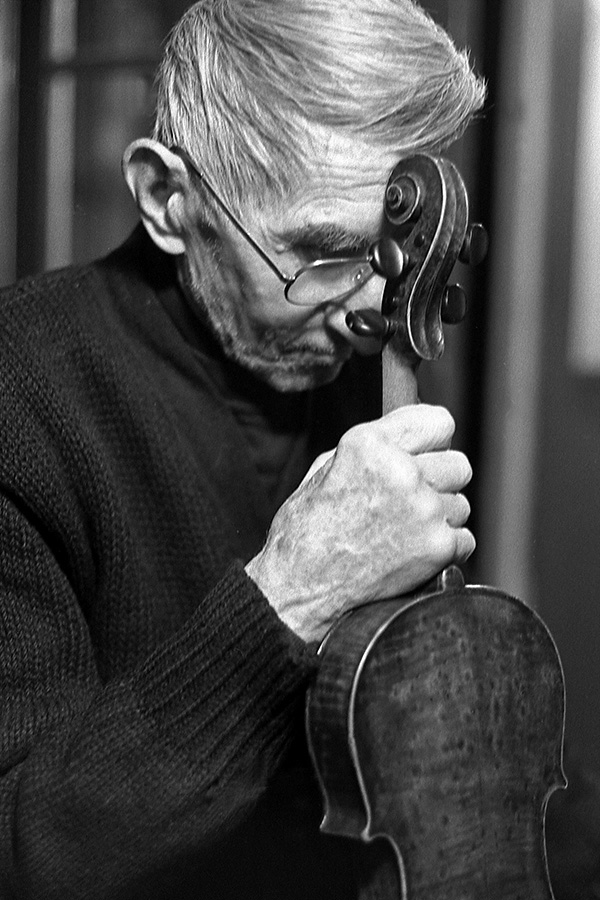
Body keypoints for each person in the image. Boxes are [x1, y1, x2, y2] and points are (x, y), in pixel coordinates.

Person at [0, 1, 486, 898]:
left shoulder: (372, 377)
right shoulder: (20, 396)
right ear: (167, 200)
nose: (366, 309)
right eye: (324, 255)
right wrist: (295, 593)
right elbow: (24, 851)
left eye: (394, 256)